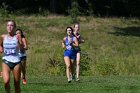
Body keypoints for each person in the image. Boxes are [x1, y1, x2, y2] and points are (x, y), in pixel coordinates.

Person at [0, 20, 23, 93]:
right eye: (8, 25)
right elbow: (0, 45)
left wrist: (19, 42)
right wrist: (1, 49)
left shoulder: (17, 36)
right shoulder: (3, 37)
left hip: (16, 62)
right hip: (6, 61)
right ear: (6, 27)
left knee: (16, 84)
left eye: (11, 25)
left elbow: (22, 50)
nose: (9, 27)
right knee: (6, 82)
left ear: (15, 27)